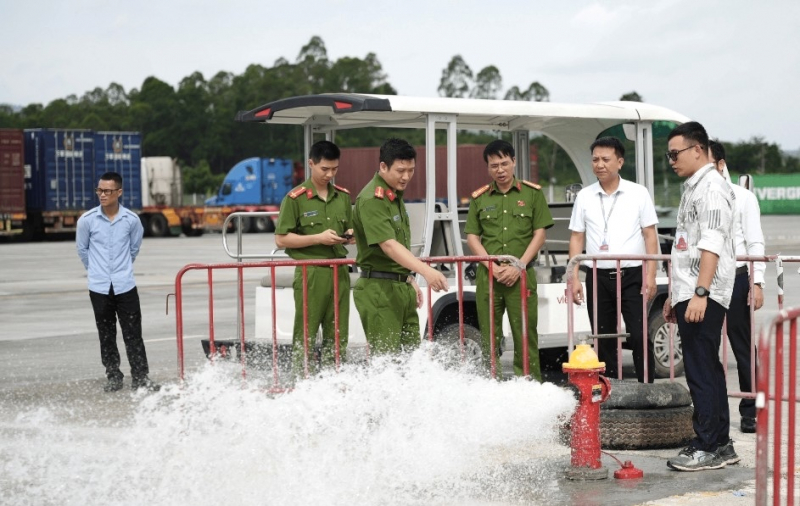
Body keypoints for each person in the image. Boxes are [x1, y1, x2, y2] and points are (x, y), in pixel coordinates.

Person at [662, 121, 737, 471]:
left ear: (697, 150)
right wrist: (676, 293)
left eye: (675, 154)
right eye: (668, 155)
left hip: (702, 292)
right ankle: (721, 444)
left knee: (700, 370)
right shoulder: (694, 187)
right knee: (708, 367)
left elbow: (712, 243)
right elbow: (686, 245)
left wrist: (700, 293)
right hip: (690, 290)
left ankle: (706, 445)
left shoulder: (711, 188)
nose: (671, 160)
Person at [568, 136, 659, 383]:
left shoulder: (638, 193)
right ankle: (609, 393)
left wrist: (651, 277)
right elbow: (577, 238)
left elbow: (650, 236)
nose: (599, 164)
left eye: (606, 159)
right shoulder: (585, 196)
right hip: (597, 276)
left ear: (619, 162)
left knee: (639, 335)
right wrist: (573, 277)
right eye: (595, 159)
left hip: (632, 275)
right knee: (602, 336)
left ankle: (647, 389)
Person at [465, 140, 554, 380]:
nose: (500, 170)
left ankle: (528, 386)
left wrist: (519, 265)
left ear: (514, 162)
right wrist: (491, 267)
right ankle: (491, 384)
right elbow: (472, 237)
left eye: (504, 163)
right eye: (494, 166)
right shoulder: (480, 198)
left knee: (525, 334)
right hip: (489, 277)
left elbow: (540, 234)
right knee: (489, 336)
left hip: (522, 276)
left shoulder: (532, 194)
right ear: (488, 168)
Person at [352, 138, 449, 355]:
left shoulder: (393, 195)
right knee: (386, 364)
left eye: (411, 170)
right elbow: (388, 245)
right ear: (383, 166)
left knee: (410, 359)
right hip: (380, 290)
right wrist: (427, 271)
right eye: (400, 170)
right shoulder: (373, 199)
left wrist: (408, 277)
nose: (406, 176)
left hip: (399, 286)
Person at [275, 140, 354, 378]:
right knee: (306, 334)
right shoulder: (295, 198)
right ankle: (303, 382)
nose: (329, 174)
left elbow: (350, 229)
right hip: (311, 272)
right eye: (324, 169)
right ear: (311, 164)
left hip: (339, 272)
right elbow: (281, 239)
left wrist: (349, 237)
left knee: (338, 334)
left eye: (334, 169)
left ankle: (334, 381)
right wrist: (318, 238)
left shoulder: (342, 197)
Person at [76, 172, 159, 392]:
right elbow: (82, 250)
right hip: (99, 287)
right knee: (106, 334)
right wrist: (96, 270)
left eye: (107, 191)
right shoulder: (87, 220)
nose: (102, 195)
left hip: (125, 286)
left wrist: (121, 270)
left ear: (119, 192)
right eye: (99, 190)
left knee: (133, 333)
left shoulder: (131, 220)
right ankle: (113, 375)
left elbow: (134, 249)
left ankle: (141, 377)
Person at [708, 139, 765, 433]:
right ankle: (713, 410)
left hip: (738, 277)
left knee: (742, 348)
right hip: (705, 280)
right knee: (705, 347)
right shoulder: (697, 196)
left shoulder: (743, 197)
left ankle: (750, 409)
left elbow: (755, 240)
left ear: (721, 164)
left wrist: (757, 282)